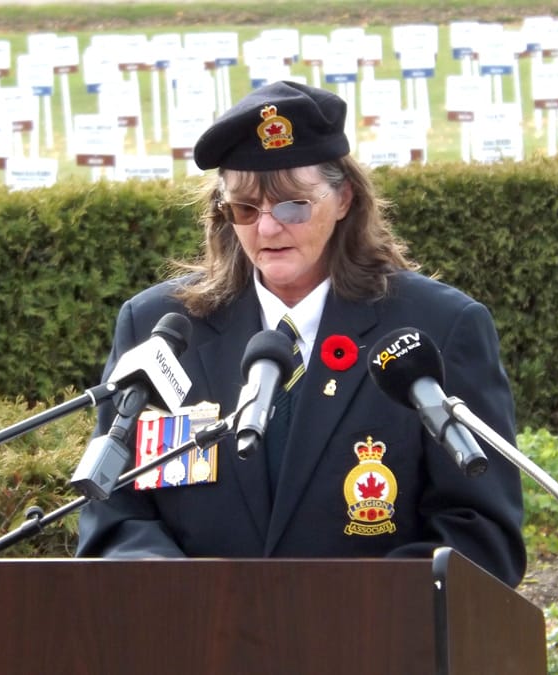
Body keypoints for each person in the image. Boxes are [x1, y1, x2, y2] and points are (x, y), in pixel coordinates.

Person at [76, 80, 526, 588]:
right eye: (245, 208)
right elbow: (111, 512)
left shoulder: (437, 327)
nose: (267, 229)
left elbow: (482, 532)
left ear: (343, 199)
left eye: (291, 205)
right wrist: (187, 600)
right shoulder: (160, 328)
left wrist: (344, 614)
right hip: (198, 642)